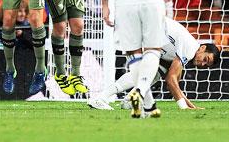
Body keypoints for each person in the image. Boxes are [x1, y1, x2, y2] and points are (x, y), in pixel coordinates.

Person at [88, 19, 220, 112]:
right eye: (205, 59)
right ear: (202, 48)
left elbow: (174, 82)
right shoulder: (190, 49)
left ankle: (130, 100)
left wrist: (190, 105)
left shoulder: (186, 50)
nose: (202, 64)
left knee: (158, 71)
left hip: (146, 31)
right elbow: (171, 80)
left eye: (206, 65)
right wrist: (183, 107)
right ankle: (100, 98)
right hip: (140, 28)